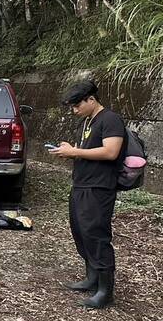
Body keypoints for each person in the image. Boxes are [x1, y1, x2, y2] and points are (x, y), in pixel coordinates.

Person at [51, 77, 124, 309]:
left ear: (91, 99)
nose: (74, 110)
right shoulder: (87, 121)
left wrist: (76, 152)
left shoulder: (110, 120)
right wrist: (70, 150)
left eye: (77, 105)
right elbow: (85, 150)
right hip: (81, 184)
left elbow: (111, 152)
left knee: (96, 234)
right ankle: (92, 278)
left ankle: (105, 290)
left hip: (99, 188)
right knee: (81, 232)